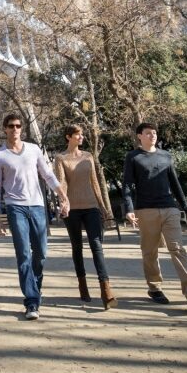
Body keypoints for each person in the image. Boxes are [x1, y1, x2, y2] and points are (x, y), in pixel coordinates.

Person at [0, 113, 69, 321]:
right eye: (11, 126)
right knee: (24, 254)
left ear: (21, 128)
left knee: (41, 253)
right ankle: (32, 301)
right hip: (16, 207)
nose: (15, 129)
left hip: (36, 205)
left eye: (18, 126)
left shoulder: (34, 150)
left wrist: (63, 195)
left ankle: (35, 287)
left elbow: (48, 174)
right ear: (4, 129)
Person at [122, 122, 187, 313]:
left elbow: (175, 184)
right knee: (150, 251)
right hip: (146, 210)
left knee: (177, 249)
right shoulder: (133, 157)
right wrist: (129, 208)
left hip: (170, 208)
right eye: (148, 133)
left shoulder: (166, 156)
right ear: (139, 136)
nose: (153, 135)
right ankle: (155, 287)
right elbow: (127, 184)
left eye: (154, 132)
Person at [54, 124, 117, 309]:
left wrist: (103, 207)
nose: (81, 137)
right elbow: (62, 182)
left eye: (81, 134)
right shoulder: (60, 158)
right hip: (72, 209)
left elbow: (95, 183)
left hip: (91, 207)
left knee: (97, 246)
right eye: (77, 134)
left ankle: (106, 290)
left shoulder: (88, 156)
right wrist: (64, 203)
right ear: (68, 137)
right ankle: (82, 285)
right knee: (77, 246)